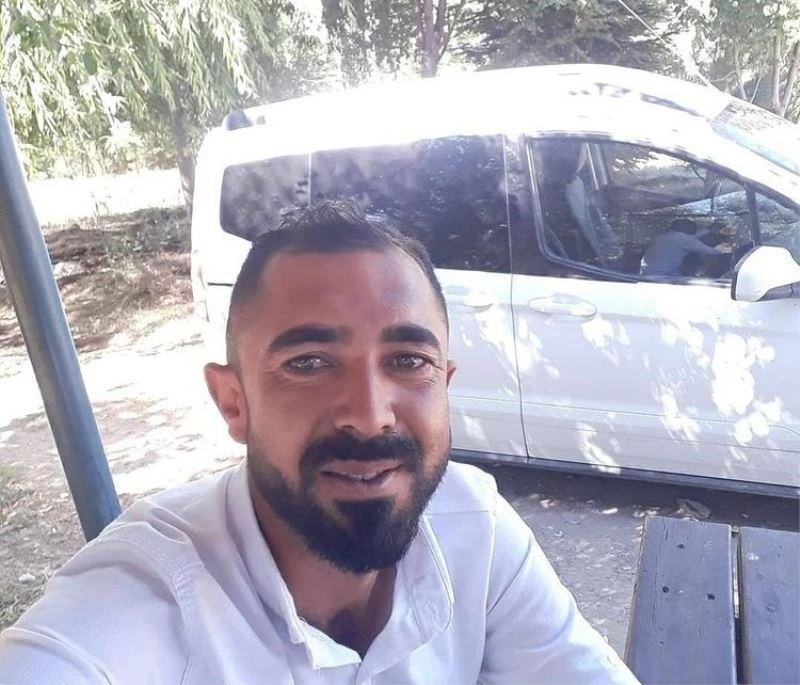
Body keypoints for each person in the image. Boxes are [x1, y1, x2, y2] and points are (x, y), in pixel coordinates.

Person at [0, 201, 638, 684]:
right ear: (234, 402)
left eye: (408, 360)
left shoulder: (475, 528)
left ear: (445, 385)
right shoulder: (148, 595)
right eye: (308, 363)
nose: (370, 416)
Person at [640, 218, 727, 277]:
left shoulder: (660, 237)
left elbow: (692, 237)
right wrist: (727, 248)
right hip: (666, 277)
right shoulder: (685, 240)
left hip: (644, 275)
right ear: (688, 228)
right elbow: (712, 251)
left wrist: (709, 230)